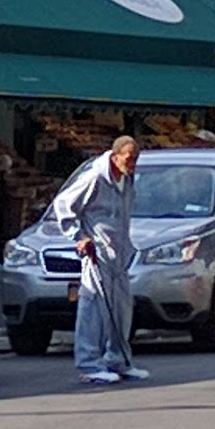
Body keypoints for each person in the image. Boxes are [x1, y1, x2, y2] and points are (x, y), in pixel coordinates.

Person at [49, 135, 150, 384]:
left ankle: (118, 360)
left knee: (122, 309)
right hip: (98, 254)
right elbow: (64, 204)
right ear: (115, 156)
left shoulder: (127, 180)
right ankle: (89, 364)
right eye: (129, 158)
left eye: (136, 158)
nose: (133, 163)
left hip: (119, 254)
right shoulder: (94, 178)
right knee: (93, 308)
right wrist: (79, 236)